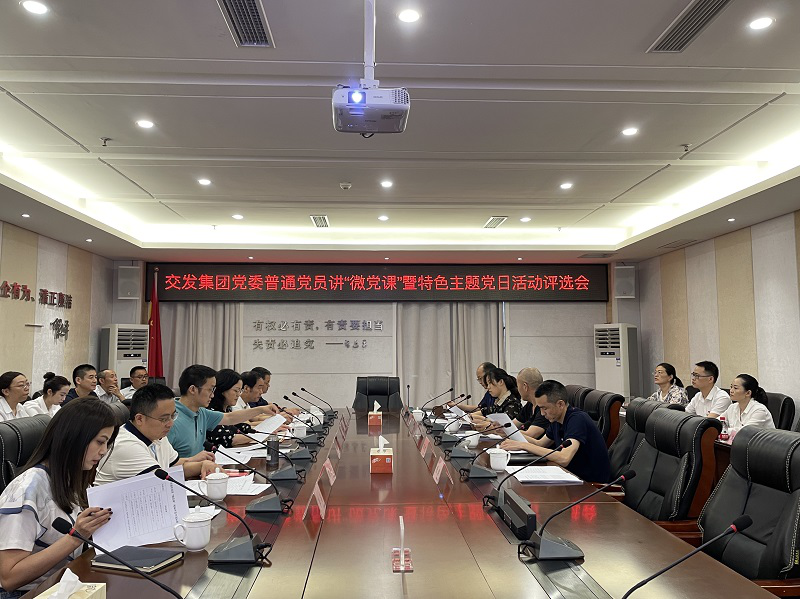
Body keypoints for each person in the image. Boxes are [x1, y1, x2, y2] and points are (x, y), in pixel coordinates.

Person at [0, 399, 116, 596]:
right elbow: (9, 577)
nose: (104, 450)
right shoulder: (26, 490)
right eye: (100, 441)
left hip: (63, 582)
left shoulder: (71, 476)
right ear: (75, 437)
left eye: (107, 443)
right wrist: (75, 537)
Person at [96, 384, 216, 485]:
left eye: (173, 416)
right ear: (139, 419)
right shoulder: (126, 445)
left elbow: (174, 466)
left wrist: (203, 465)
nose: (170, 423)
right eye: (164, 419)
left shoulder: (157, 435)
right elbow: (162, 482)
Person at [500, 380, 611, 483]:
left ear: (560, 404)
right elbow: (540, 443)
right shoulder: (556, 419)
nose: (542, 413)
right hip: (570, 477)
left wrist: (524, 445)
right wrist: (508, 433)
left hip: (591, 485)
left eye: (545, 408)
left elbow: (564, 458)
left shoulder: (577, 419)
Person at [166, 365, 280, 458]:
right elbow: (165, 464)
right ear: (192, 389)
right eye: (210, 390)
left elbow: (229, 418)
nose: (213, 395)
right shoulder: (170, 419)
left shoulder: (201, 412)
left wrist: (261, 409)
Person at [206, 370, 257, 448]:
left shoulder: (227, 410)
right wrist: (259, 437)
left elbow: (241, 427)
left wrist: (264, 432)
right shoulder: (210, 411)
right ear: (223, 389)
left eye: (240, 390)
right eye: (236, 390)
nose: (238, 394)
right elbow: (229, 438)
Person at [514, 367, 548, 439]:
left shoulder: (544, 408)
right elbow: (512, 425)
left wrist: (504, 432)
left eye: (517, 386)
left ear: (525, 386)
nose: (517, 389)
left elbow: (531, 435)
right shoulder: (530, 405)